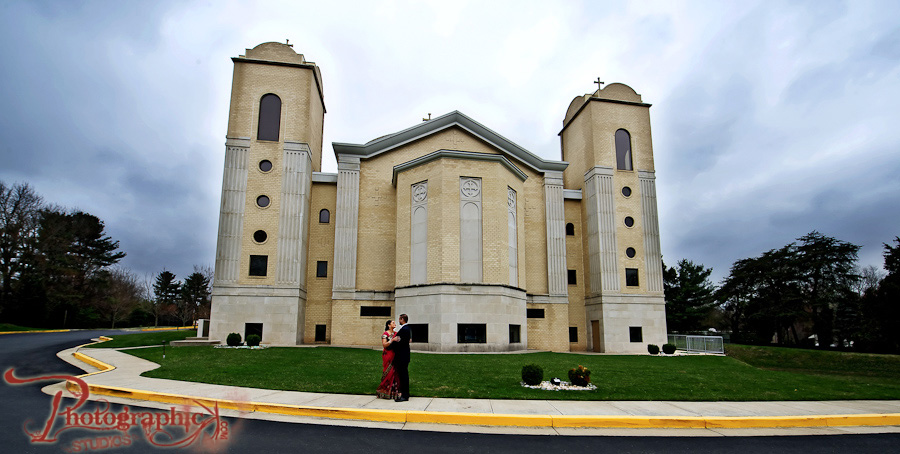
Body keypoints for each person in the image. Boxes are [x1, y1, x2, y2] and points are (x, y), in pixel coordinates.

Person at [389, 314, 411, 402]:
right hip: (404, 356)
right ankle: (405, 394)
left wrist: (391, 344)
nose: (399, 320)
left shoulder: (404, 329)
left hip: (402, 357)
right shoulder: (407, 329)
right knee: (403, 375)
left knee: (403, 376)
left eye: (399, 319)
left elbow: (400, 343)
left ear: (402, 319)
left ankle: (404, 395)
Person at [376, 320, 399, 400]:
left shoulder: (396, 333)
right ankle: (384, 390)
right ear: (389, 325)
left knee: (395, 372)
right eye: (393, 323)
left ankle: (393, 392)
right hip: (388, 354)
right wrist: (392, 340)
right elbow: (384, 345)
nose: (395, 324)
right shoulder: (385, 334)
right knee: (388, 371)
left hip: (395, 354)